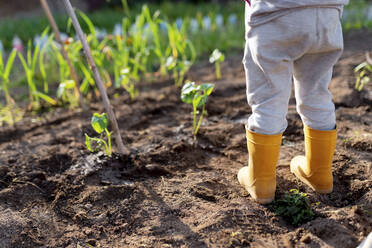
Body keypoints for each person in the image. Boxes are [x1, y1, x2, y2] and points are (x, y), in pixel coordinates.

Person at [238, 0, 349, 204]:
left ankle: (261, 182)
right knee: (317, 92)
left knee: (268, 98)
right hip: (327, 13)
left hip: (275, 15)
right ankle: (320, 174)